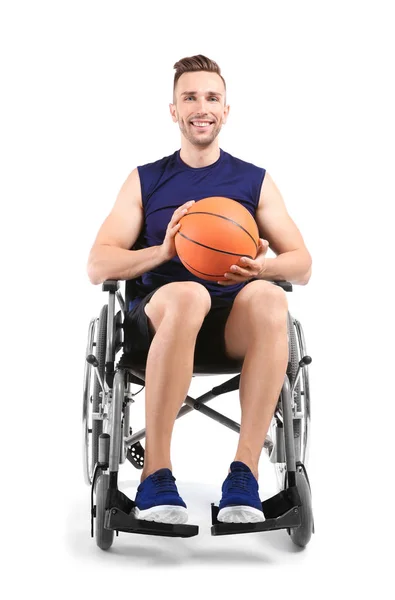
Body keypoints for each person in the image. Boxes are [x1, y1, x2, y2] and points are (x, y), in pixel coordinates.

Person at [87, 54, 312, 525]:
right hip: (163, 322)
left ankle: (243, 475)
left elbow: (302, 263)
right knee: (191, 294)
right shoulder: (146, 179)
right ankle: (155, 472)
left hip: (235, 326)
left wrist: (259, 269)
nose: (201, 107)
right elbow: (98, 264)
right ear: (173, 110)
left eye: (212, 97)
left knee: (272, 297)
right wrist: (163, 252)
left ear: (226, 110)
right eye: (189, 97)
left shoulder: (254, 180)